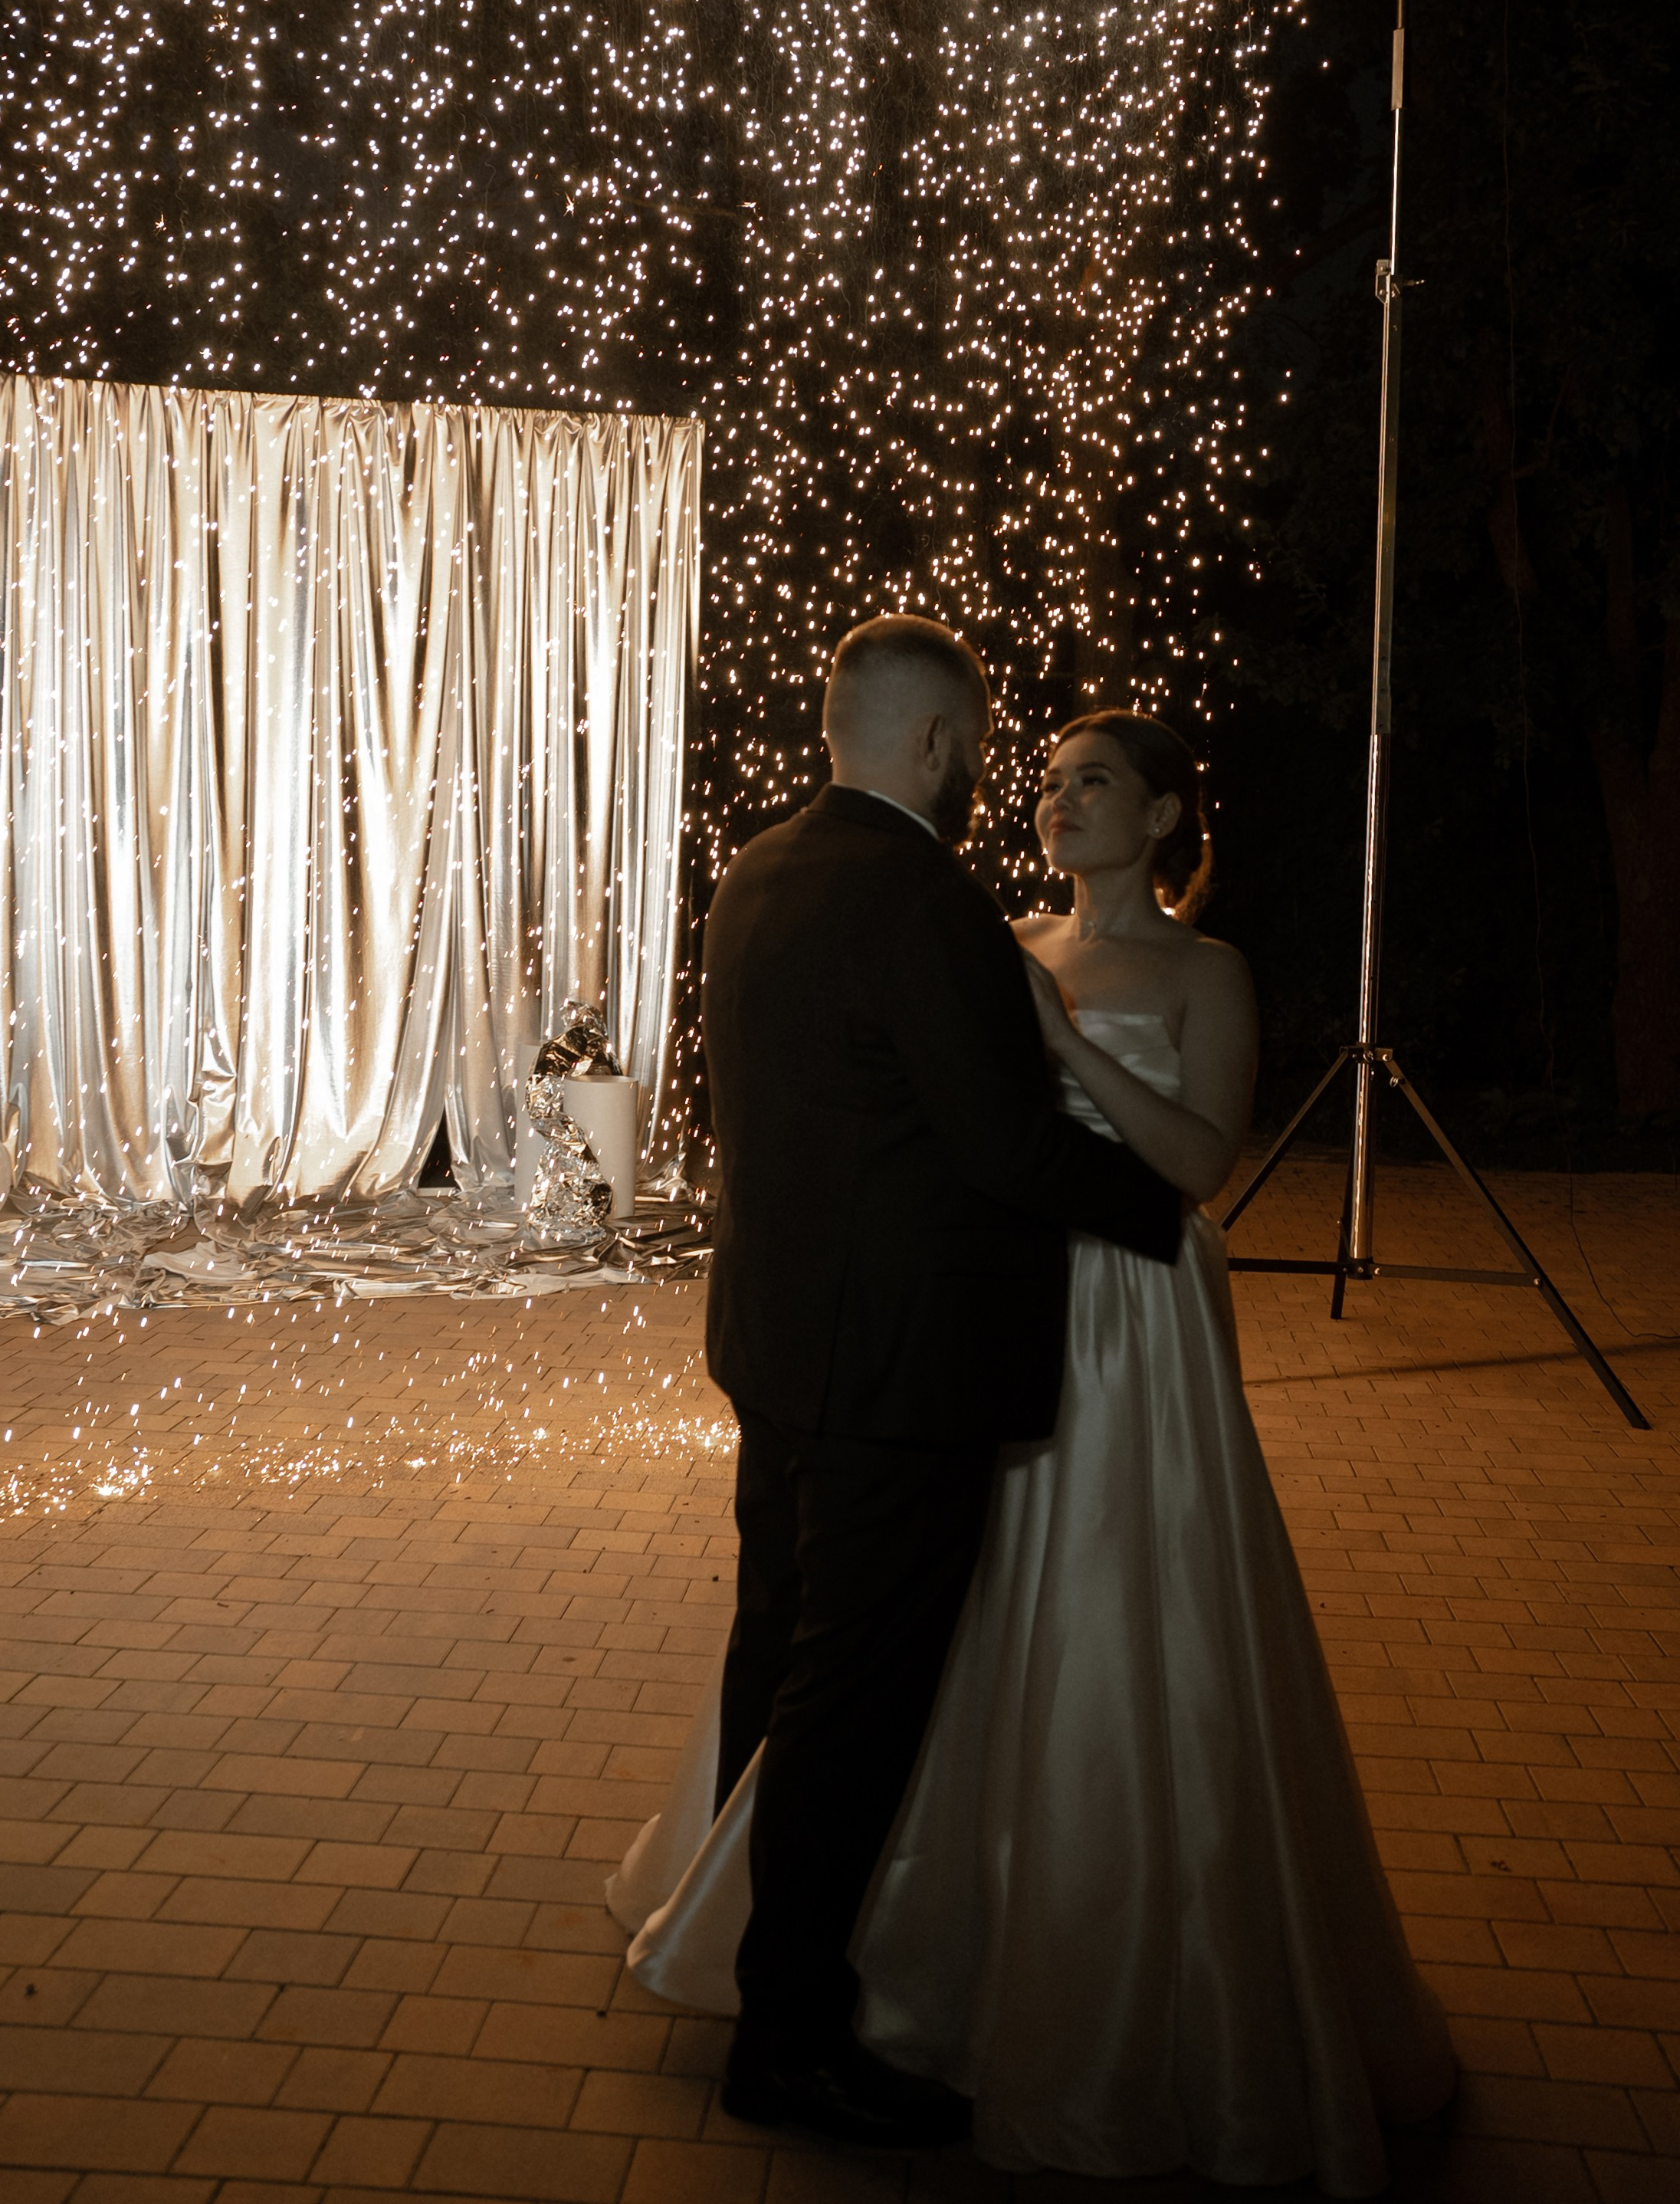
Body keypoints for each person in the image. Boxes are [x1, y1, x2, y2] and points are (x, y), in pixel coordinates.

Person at [610, 705, 1455, 2196]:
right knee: (947, 1630)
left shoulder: (1203, 972)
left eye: (1096, 783)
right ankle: (924, 1944)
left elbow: (1196, 1168)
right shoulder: (990, 930)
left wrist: (1062, 1043)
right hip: (981, 1306)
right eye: (1052, 779)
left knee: (1120, 1614)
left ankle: (1107, 1967)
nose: (1058, 803)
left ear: (1165, 816)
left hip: (1131, 1312)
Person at [656, 619, 1183, 2149]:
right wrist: (1167, 1216)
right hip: (899, 1373)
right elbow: (1003, 1144)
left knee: (777, 1656)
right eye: (981, 745)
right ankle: (789, 2034)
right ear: (939, 743)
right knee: (854, 1704)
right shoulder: (928, 901)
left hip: (776, 1345)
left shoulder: (756, 870)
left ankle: (725, 1941)